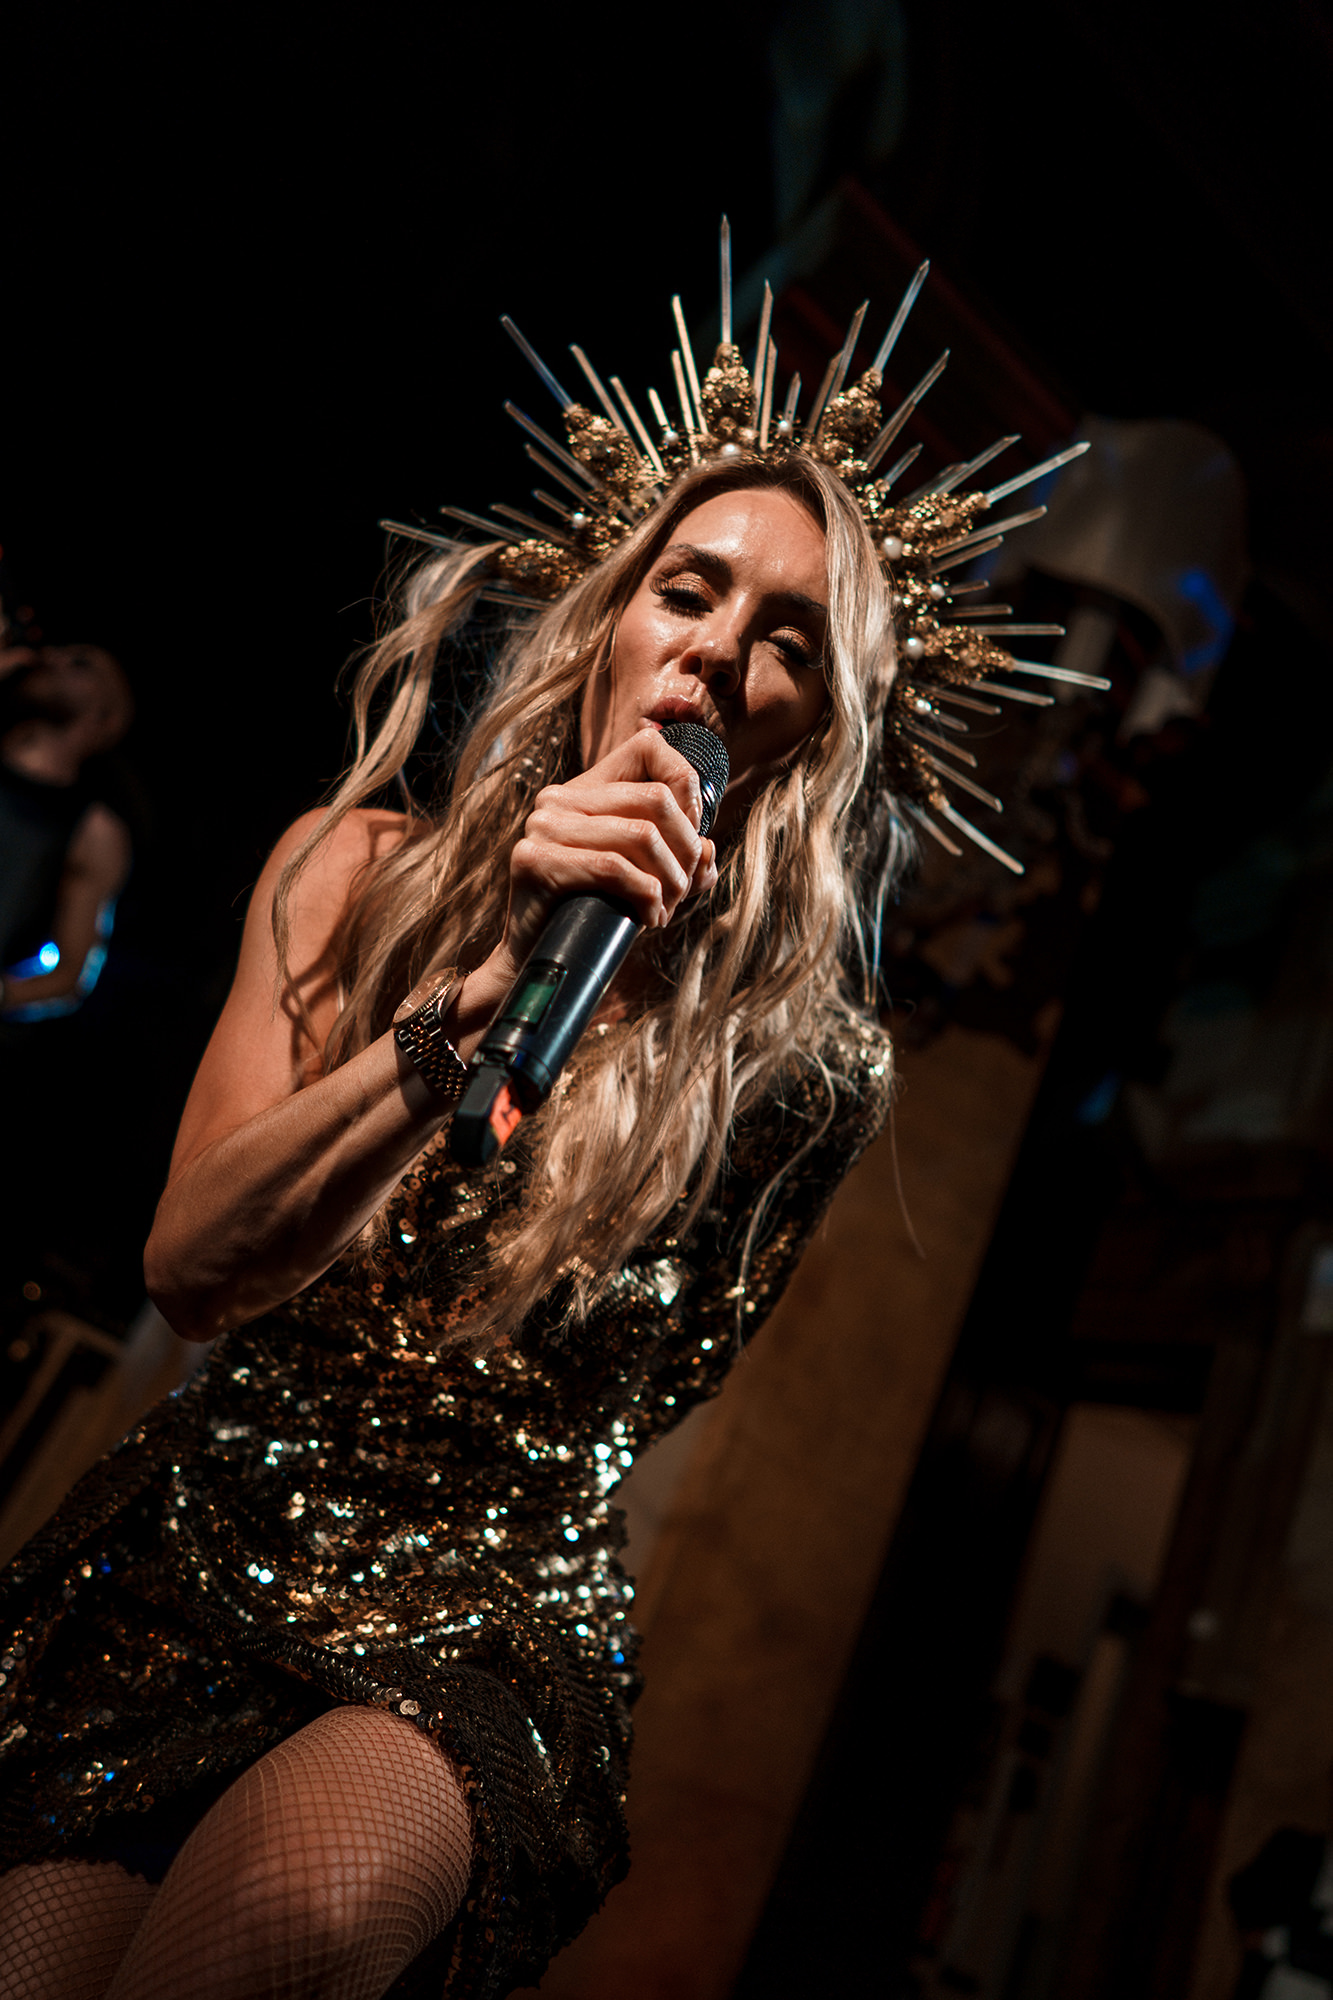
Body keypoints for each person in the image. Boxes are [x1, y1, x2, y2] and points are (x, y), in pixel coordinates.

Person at [0, 254, 1079, 1999]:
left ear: (817, 727)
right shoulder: (345, 869)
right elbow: (195, 1268)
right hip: (192, 1558)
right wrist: (489, 985)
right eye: (689, 590)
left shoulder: (800, 1078)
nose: (716, 649)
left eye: (787, 635)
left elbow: (641, 1404)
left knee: (286, 1920)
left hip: (477, 1617)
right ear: (608, 621)